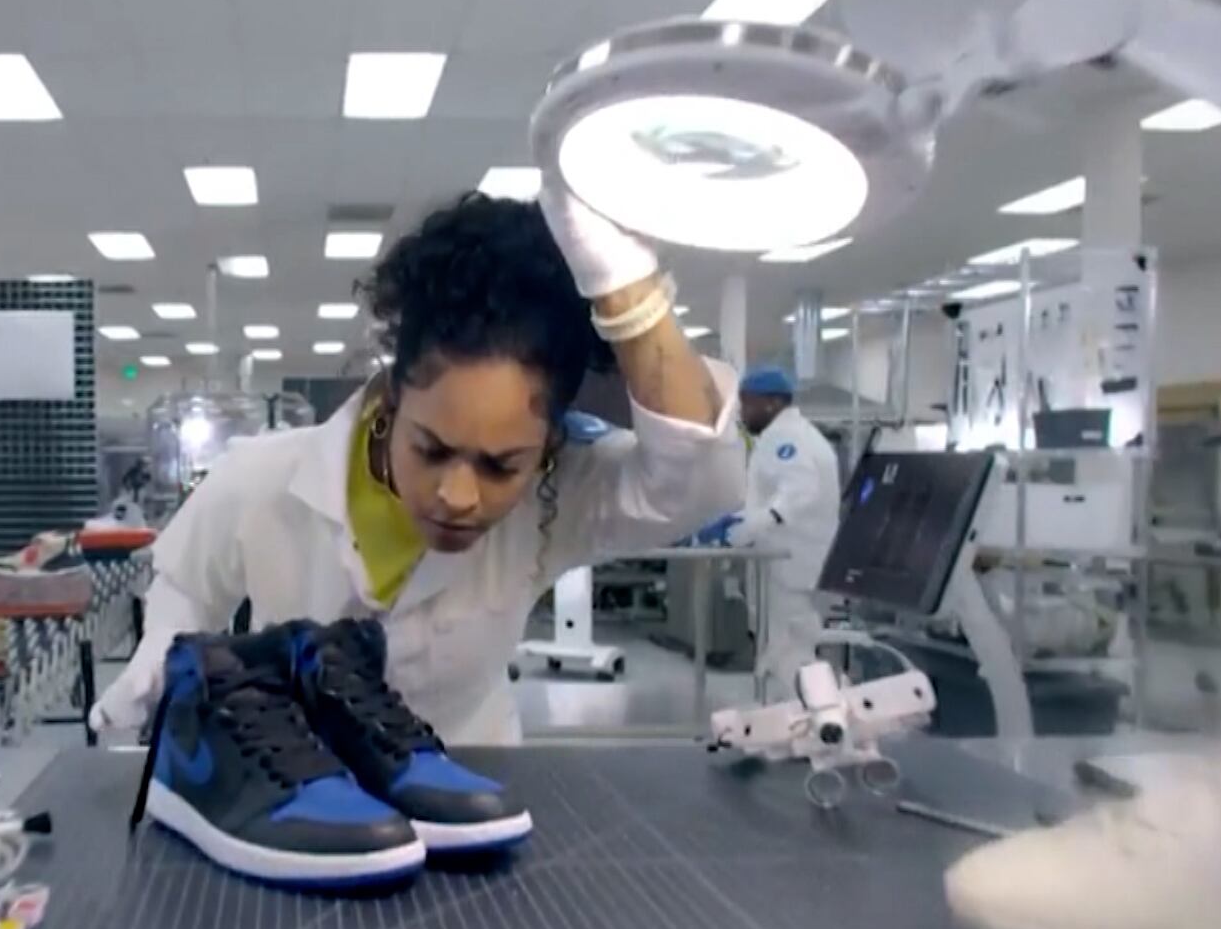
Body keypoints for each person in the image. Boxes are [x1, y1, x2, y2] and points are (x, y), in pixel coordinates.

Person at [91, 189, 745, 744]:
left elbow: (698, 481)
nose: (458, 495)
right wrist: (162, 650)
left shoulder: (558, 502)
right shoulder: (261, 476)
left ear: (549, 447)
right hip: (293, 784)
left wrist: (629, 295)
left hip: (471, 783)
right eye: (430, 449)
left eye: (501, 466)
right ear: (393, 397)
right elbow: (187, 586)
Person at [692, 366, 840, 698]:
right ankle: (807, 711)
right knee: (790, 647)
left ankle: (817, 714)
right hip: (798, 566)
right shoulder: (797, 435)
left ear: (771, 403)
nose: (743, 413)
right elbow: (776, 499)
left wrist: (746, 529)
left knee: (788, 652)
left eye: (747, 403)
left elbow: (799, 491)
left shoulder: (785, 438)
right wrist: (736, 521)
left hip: (788, 568)